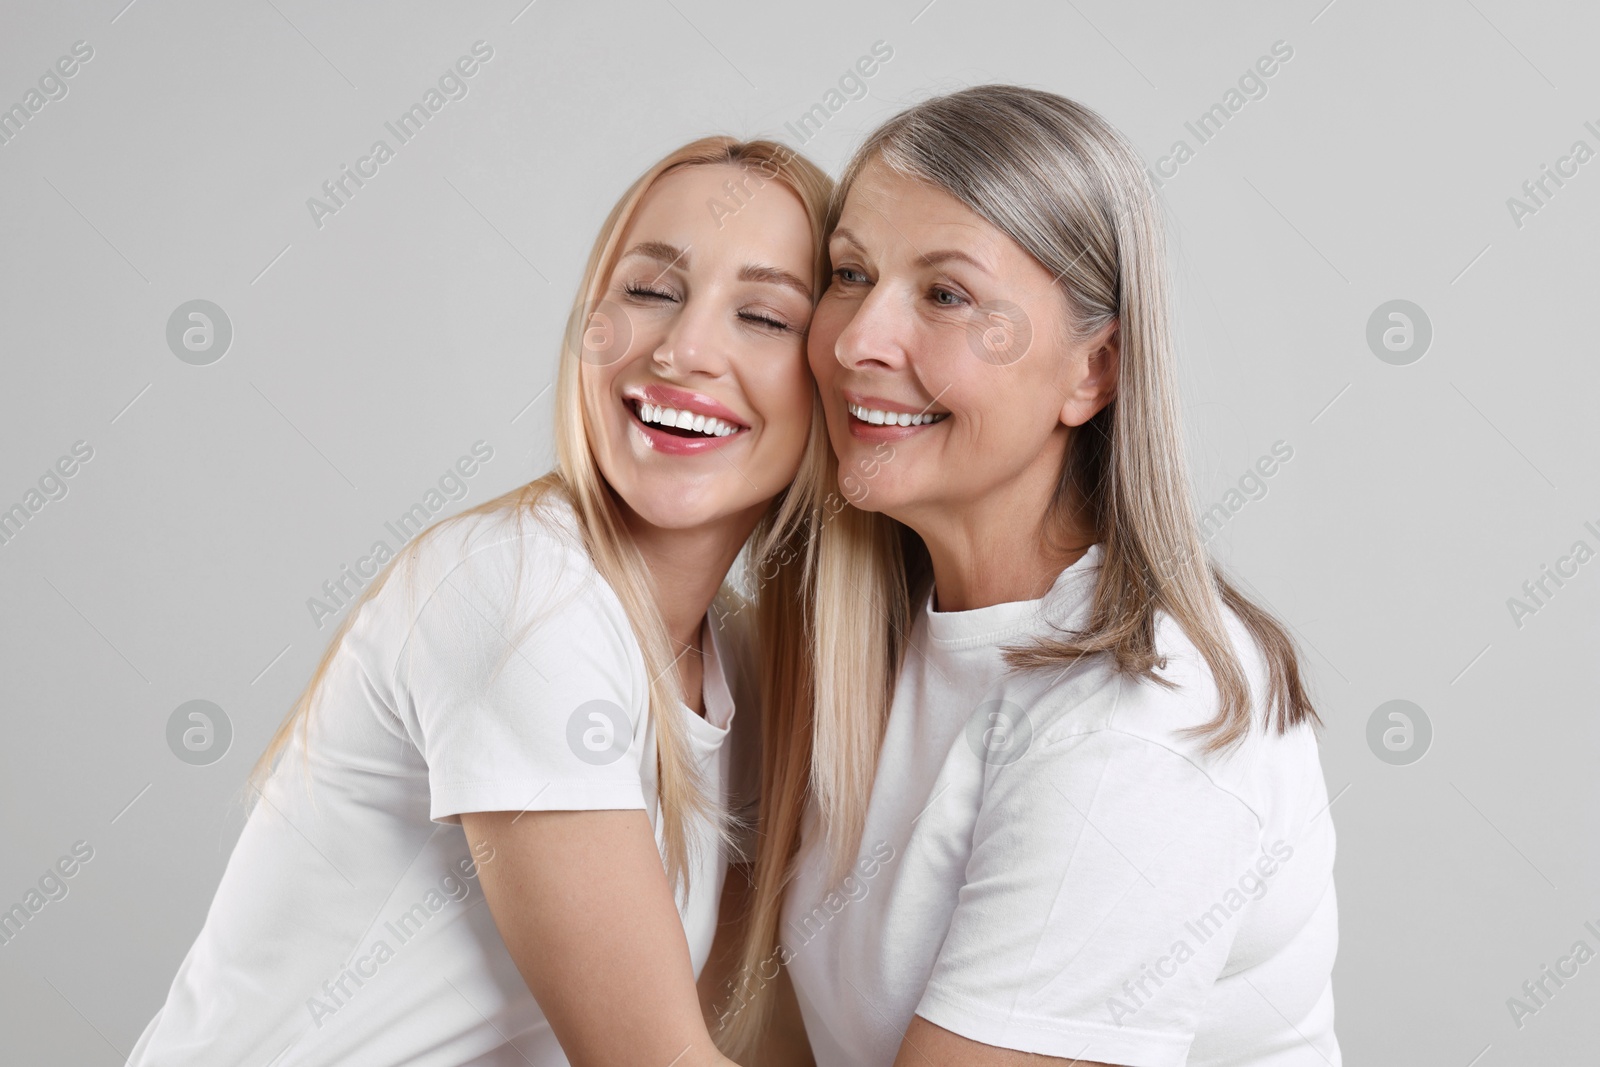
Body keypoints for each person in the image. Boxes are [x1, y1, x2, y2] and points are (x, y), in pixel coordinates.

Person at [127, 135, 832, 1067]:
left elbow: (744, 1034)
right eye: (651, 290)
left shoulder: (732, 655)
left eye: (764, 316)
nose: (685, 348)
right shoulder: (519, 590)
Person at [719, 85, 1341, 1067]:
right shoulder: (861, 640)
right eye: (849, 272)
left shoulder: (1138, 723)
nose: (853, 341)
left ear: (1093, 371)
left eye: (946, 293)